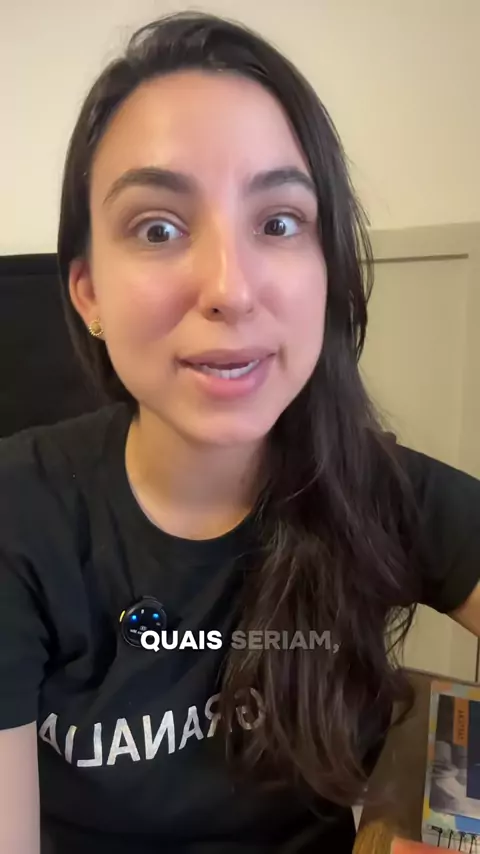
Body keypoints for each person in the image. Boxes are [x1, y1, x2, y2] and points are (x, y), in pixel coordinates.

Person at [1, 11, 480, 854]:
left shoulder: (375, 489)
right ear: (89, 294)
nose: (230, 288)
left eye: (279, 222)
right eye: (158, 228)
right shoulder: (18, 515)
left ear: (327, 274)